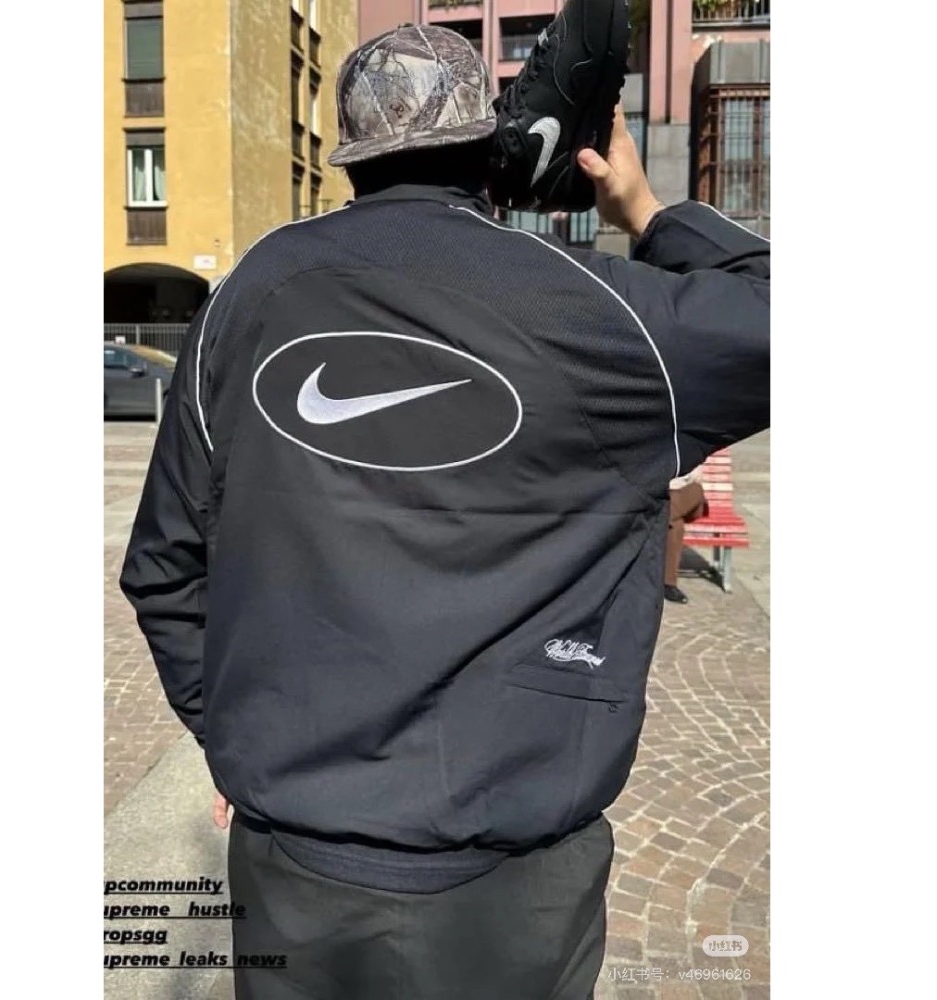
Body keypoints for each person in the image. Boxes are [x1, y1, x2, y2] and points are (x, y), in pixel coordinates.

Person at [119, 13, 769, 1000]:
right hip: (514, 892)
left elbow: (164, 568)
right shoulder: (601, 313)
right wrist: (644, 207)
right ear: (489, 152)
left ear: (349, 159)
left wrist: (238, 735)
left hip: (294, 868)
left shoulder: (245, 300)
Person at [664, 465, 708, 604]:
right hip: (664, 496)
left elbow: (696, 476)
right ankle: (668, 583)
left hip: (687, 495)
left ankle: (664, 515)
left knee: (696, 489)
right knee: (676, 526)